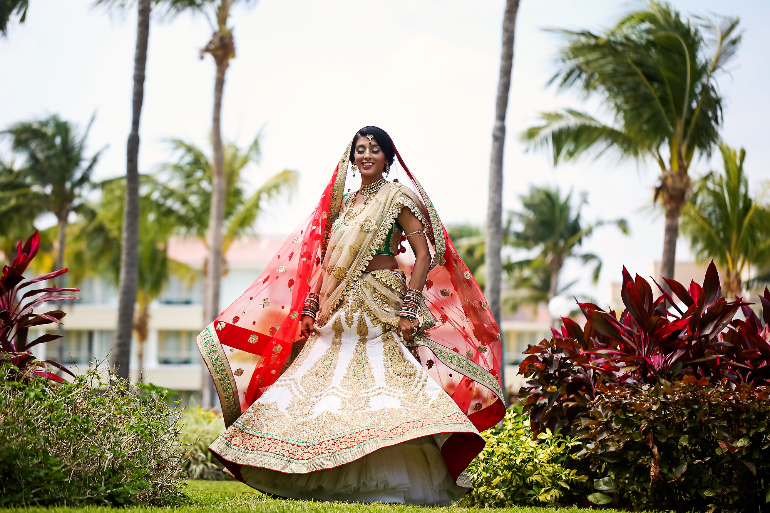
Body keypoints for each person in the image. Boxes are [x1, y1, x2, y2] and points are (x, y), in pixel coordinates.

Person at [196, 126, 505, 505]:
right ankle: (312, 470)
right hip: (338, 306)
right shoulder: (346, 205)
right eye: (360, 149)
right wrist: (310, 307)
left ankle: (391, 477)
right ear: (352, 157)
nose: (366, 155)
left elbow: (424, 254)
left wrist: (410, 306)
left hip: (382, 298)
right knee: (322, 382)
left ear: (388, 157)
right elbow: (326, 260)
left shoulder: (397, 197)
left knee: (383, 381)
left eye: (374, 149)